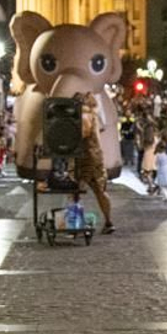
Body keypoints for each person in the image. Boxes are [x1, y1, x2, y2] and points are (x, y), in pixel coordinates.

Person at [75, 92, 116, 234]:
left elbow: (83, 133)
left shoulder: (84, 116)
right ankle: (108, 221)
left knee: (75, 190)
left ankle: (75, 223)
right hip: (96, 156)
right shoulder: (94, 115)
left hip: (86, 157)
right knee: (100, 191)